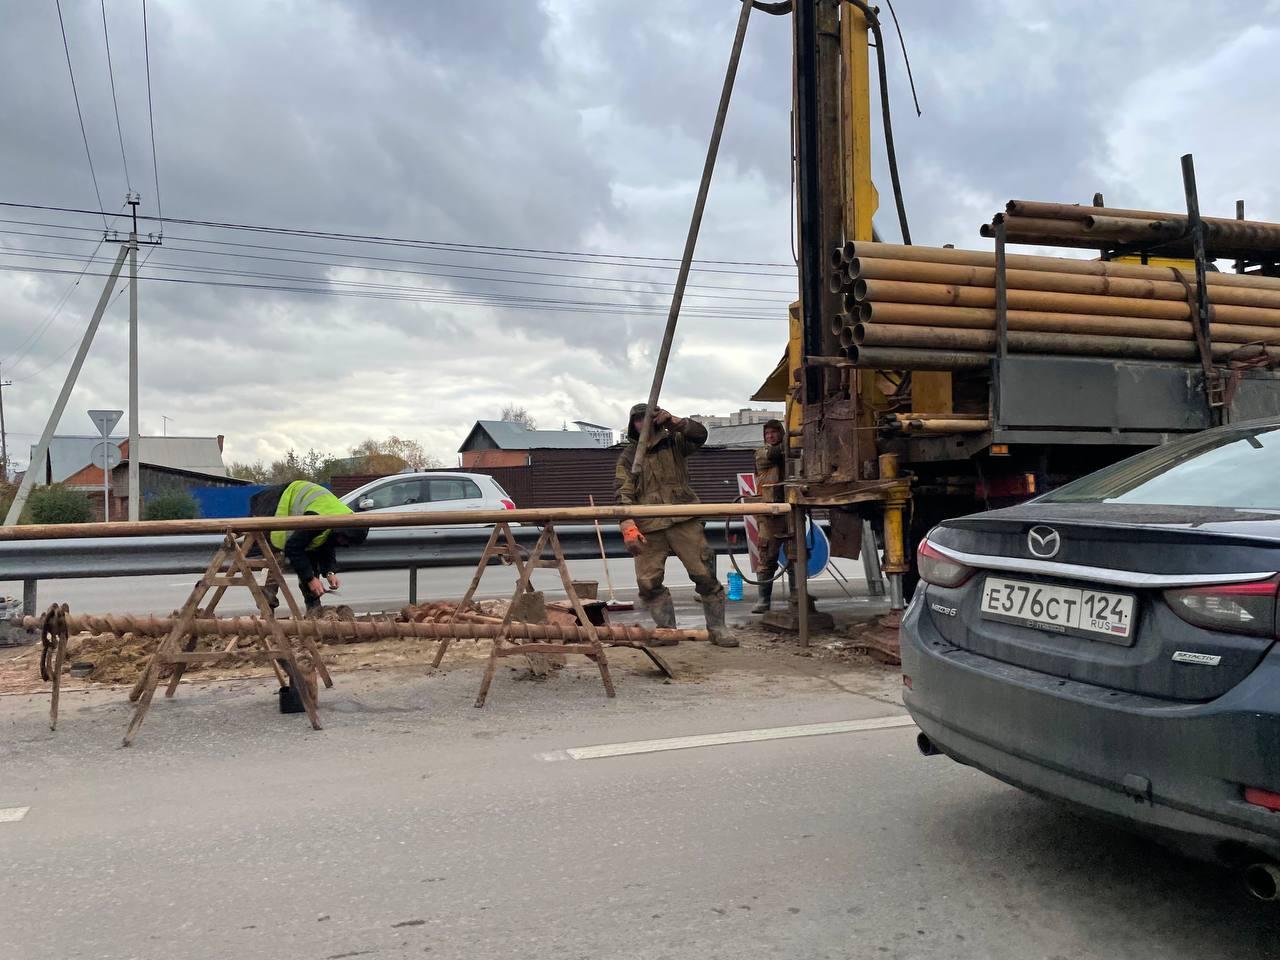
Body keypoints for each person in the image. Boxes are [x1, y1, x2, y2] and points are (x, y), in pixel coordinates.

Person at [615, 403, 736, 647]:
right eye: (638, 420)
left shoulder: (674, 442)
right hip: (649, 524)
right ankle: (666, 630)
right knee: (648, 583)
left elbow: (700, 435)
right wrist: (627, 524)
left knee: (704, 574)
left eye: (647, 418)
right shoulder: (629, 456)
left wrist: (675, 422)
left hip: (683, 518)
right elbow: (622, 490)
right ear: (633, 424)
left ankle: (718, 629)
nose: (643, 423)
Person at [249, 479, 368, 614]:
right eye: (343, 540)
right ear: (340, 532)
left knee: (309, 561)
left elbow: (323, 544)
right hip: (271, 507)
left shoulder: (340, 518)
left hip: (295, 509)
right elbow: (293, 548)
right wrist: (310, 579)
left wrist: (329, 571)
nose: (342, 544)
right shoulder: (321, 518)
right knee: (274, 561)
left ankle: (314, 610)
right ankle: (267, 613)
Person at [751, 418, 793, 613]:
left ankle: (797, 596)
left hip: (791, 509)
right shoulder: (762, 453)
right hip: (769, 512)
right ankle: (764, 600)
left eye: (774, 432)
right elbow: (776, 454)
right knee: (767, 555)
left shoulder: (791, 454)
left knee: (796, 554)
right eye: (767, 433)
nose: (770, 436)